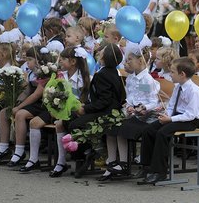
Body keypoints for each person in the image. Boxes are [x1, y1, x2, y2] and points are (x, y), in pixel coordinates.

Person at [63, 43, 125, 178]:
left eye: (101, 53)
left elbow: (104, 101)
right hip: (107, 109)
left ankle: (90, 153)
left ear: (105, 58)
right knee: (70, 120)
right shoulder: (113, 71)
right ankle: (86, 153)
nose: (98, 54)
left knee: (75, 124)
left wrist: (86, 108)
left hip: (106, 112)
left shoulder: (102, 75)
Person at [138, 57, 199, 184]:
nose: (170, 74)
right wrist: (165, 116)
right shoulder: (178, 87)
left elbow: (190, 115)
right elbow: (171, 105)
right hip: (175, 117)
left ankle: (160, 171)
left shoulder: (194, 91)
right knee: (149, 130)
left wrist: (170, 119)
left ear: (182, 74)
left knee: (162, 133)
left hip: (189, 121)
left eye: (173, 72)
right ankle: (147, 167)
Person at [99, 46, 160, 181]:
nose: (126, 63)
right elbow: (131, 96)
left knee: (121, 128)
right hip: (133, 112)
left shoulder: (148, 80)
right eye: (126, 60)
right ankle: (112, 161)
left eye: (130, 60)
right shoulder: (131, 78)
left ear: (140, 61)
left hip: (145, 116)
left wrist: (141, 107)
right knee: (110, 126)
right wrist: (128, 105)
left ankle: (124, 163)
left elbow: (153, 101)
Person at [45, 47, 91, 177]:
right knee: (61, 122)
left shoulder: (84, 78)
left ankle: (65, 161)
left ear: (73, 62)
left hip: (79, 112)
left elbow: (85, 101)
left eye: (63, 59)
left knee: (62, 124)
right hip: (64, 112)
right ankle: (61, 161)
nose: (60, 62)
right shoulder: (61, 77)